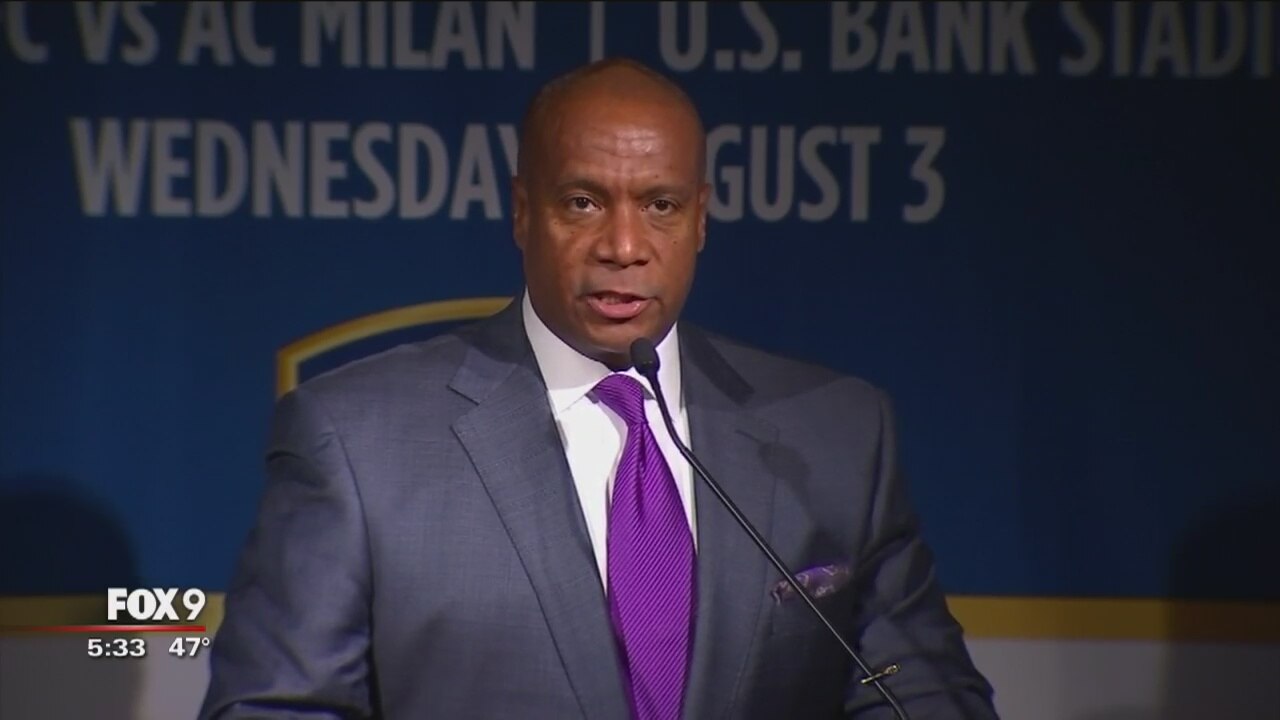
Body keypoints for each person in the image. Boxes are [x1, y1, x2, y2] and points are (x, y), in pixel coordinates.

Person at [201, 58, 998, 719]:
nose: (623, 245)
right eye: (582, 203)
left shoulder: (837, 436)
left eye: (660, 206)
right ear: (522, 212)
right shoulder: (358, 442)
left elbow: (923, 696)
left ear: (701, 219)